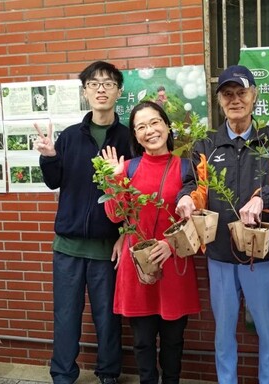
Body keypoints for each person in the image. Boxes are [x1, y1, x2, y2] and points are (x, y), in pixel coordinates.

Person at [176, 65, 269, 384]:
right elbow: (193, 183)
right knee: (223, 334)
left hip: (262, 256)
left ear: (254, 95)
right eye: (228, 94)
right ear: (219, 101)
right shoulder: (206, 144)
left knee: (267, 332)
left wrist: (264, 198)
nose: (235, 99)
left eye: (241, 92)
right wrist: (187, 198)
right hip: (218, 256)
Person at [33, 61, 130, 384]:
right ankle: (62, 374)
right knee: (66, 317)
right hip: (68, 247)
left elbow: (136, 193)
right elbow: (53, 181)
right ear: (85, 91)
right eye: (93, 83)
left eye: (108, 83)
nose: (101, 89)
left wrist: (126, 234)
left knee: (108, 318)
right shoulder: (71, 136)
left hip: (108, 248)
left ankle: (108, 373)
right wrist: (48, 157)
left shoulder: (129, 139)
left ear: (119, 90)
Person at [101, 101, 201, 384]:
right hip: (138, 266)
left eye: (155, 122)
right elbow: (113, 216)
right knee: (143, 341)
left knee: (173, 341)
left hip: (174, 263)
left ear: (167, 126)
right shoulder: (128, 168)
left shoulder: (186, 168)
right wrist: (114, 179)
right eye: (141, 127)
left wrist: (170, 246)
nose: (150, 130)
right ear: (135, 135)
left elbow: (195, 220)